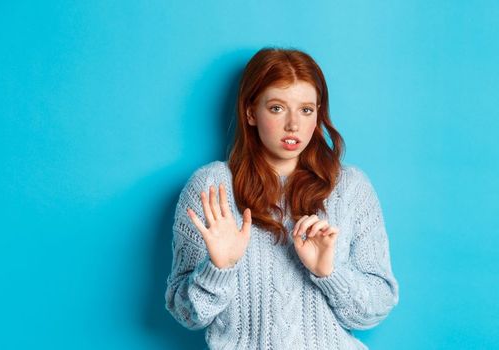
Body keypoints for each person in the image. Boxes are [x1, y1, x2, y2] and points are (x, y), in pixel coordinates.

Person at [164, 47, 399, 349]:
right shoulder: (212, 187)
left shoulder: (350, 187)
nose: (293, 125)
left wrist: (328, 273)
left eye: (306, 110)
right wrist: (219, 268)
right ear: (250, 112)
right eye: (276, 108)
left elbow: (377, 307)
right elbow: (186, 314)